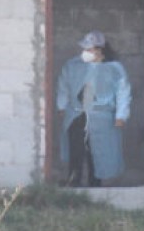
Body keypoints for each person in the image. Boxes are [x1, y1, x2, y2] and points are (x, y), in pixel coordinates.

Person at [56, 30, 131, 187]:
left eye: (89, 49)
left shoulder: (114, 69)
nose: (85, 52)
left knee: (96, 153)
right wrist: (61, 105)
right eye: (85, 49)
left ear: (100, 50)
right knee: (76, 151)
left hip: (101, 117)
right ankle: (74, 183)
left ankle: (94, 186)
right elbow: (63, 85)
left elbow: (123, 92)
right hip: (77, 114)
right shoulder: (74, 65)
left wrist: (121, 115)